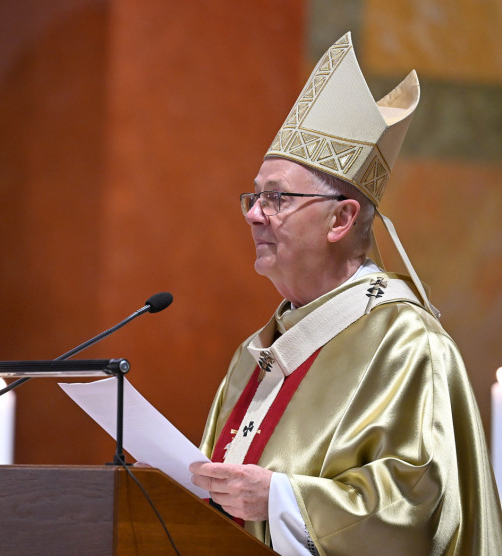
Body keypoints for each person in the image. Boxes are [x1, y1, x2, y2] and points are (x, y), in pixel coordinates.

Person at [189, 32, 502, 555]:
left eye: (276, 198)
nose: (253, 214)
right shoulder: (256, 355)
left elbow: (419, 510)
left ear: (341, 218)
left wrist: (281, 500)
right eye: (254, 196)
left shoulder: (408, 344)